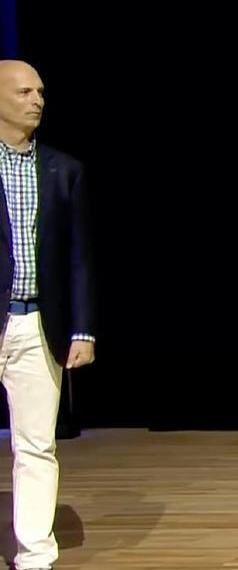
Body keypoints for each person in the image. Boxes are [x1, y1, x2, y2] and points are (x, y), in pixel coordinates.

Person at [0, 60, 96, 570]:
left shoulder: (64, 170)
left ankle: (35, 555)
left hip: (38, 325)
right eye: (23, 92)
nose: (36, 100)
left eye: (39, 92)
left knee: (36, 445)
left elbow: (79, 256)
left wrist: (83, 329)